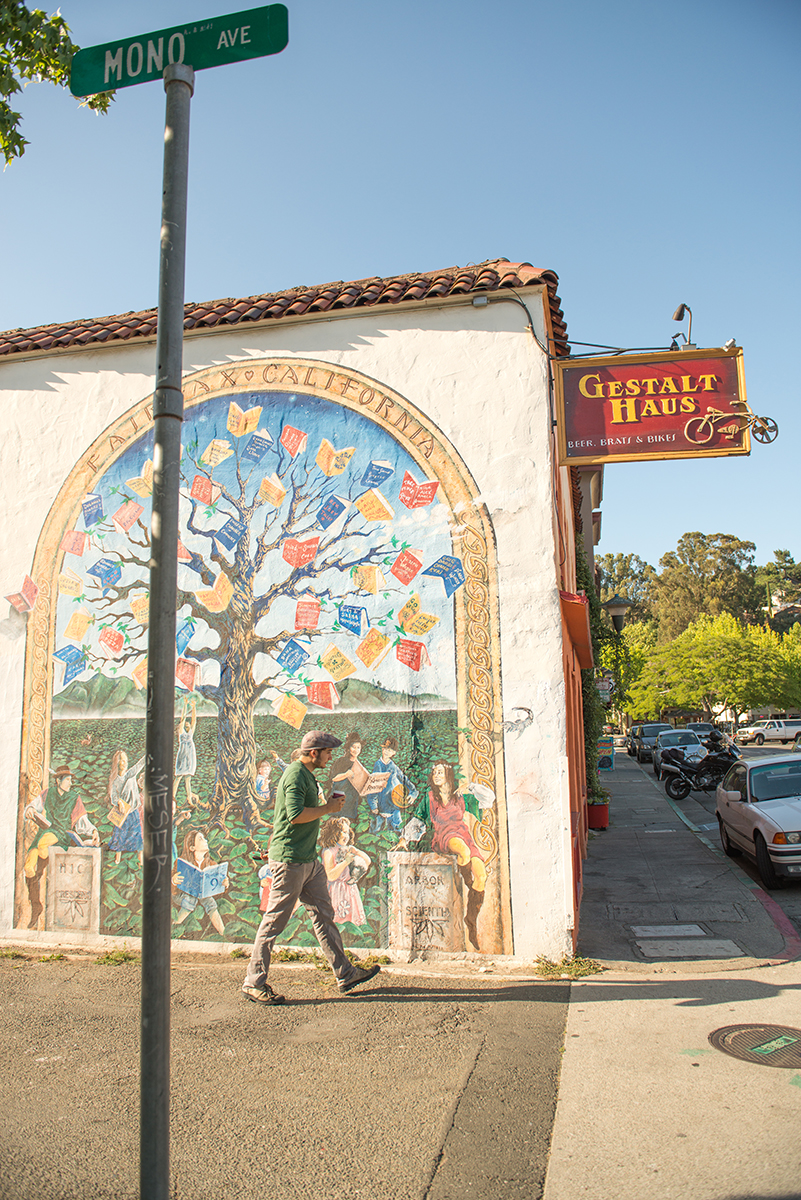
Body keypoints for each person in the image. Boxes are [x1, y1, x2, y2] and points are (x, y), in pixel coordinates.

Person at [242, 730, 381, 1005]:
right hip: (290, 861)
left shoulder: (307, 776)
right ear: (314, 752)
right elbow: (295, 816)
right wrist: (328, 809)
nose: (331, 757)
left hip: (307, 861)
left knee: (323, 914)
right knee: (274, 922)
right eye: (328, 752)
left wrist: (327, 804)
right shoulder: (294, 775)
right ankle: (253, 983)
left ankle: (346, 973)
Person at [420, 761, 487, 951]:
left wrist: (471, 787)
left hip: (463, 835)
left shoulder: (460, 796)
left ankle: (471, 920)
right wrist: (404, 839)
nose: (436, 775)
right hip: (445, 836)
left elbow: (487, 799)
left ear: (448, 774)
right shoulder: (431, 797)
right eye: (434, 773)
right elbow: (418, 819)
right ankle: (467, 885)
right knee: (463, 852)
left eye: (440, 772)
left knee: (481, 875)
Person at [23, 765, 99, 929]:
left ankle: (41, 867)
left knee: (43, 846)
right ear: (58, 780)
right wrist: (29, 810)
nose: (70, 783)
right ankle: (36, 905)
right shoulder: (47, 793)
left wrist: (93, 830)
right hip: (46, 832)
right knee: (28, 867)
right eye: (68, 780)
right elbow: (32, 806)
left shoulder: (74, 797)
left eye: (71, 780)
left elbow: (82, 822)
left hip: (62, 834)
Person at [320, 817, 371, 926]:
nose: (346, 836)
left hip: (350, 890)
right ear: (334, 833)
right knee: (337, 922)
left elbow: (367, 862)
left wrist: (357, 851)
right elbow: (330, 876)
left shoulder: (348, 849)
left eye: (347, 832)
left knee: (352, 921)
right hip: (335, 890)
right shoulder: (329, 851)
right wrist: (346, 862)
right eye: (343, 832)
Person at [368, 736, 418, 833]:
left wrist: (413, 793)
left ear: (394, 753)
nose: (387, 751)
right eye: (385, 748)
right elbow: (372, 787)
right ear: (382, 748)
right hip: (380, 807)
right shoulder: (377, 765)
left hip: (394, 806)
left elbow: (405, 780)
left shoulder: (394, 767)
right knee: (377, 834)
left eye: (390, 750)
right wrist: (373, 805)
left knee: (397, 833)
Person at [328, 731, 366, 821]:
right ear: (349, 748)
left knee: (348, 822)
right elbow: (333, 778)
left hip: (352, 798)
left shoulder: (360, 765)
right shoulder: (341, 761)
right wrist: (346, 774)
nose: (356, 750)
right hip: (339, 795)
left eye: (358, 748)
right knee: (335, 820)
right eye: (353, 747)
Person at [174, 698, 198, 807]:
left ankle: (189, 797)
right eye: (185, 725)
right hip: (183, 754)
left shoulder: (190, 734)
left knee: (188, 777)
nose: (187, 725)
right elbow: (182, 719)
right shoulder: (181, 733)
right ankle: (172, 797)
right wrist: (185, 705)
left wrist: (193, 707)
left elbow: (194, 720)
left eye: (188, 725)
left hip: (190, 755)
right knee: (179, 776)